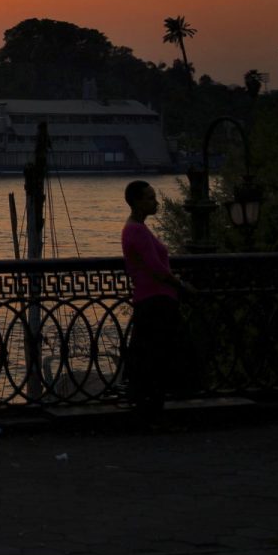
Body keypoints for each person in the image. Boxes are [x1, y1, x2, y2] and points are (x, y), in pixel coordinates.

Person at [120, 180, 194, 423]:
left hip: (153, 300)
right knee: (158, 358)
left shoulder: (138, 228)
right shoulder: (136, 230)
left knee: (153, 358)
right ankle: (153, 414)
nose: (156, 202)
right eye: (150, 198)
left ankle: (152, 412)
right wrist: (180, 285)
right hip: (155, 301)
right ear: (136, 201)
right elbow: (156, 268)